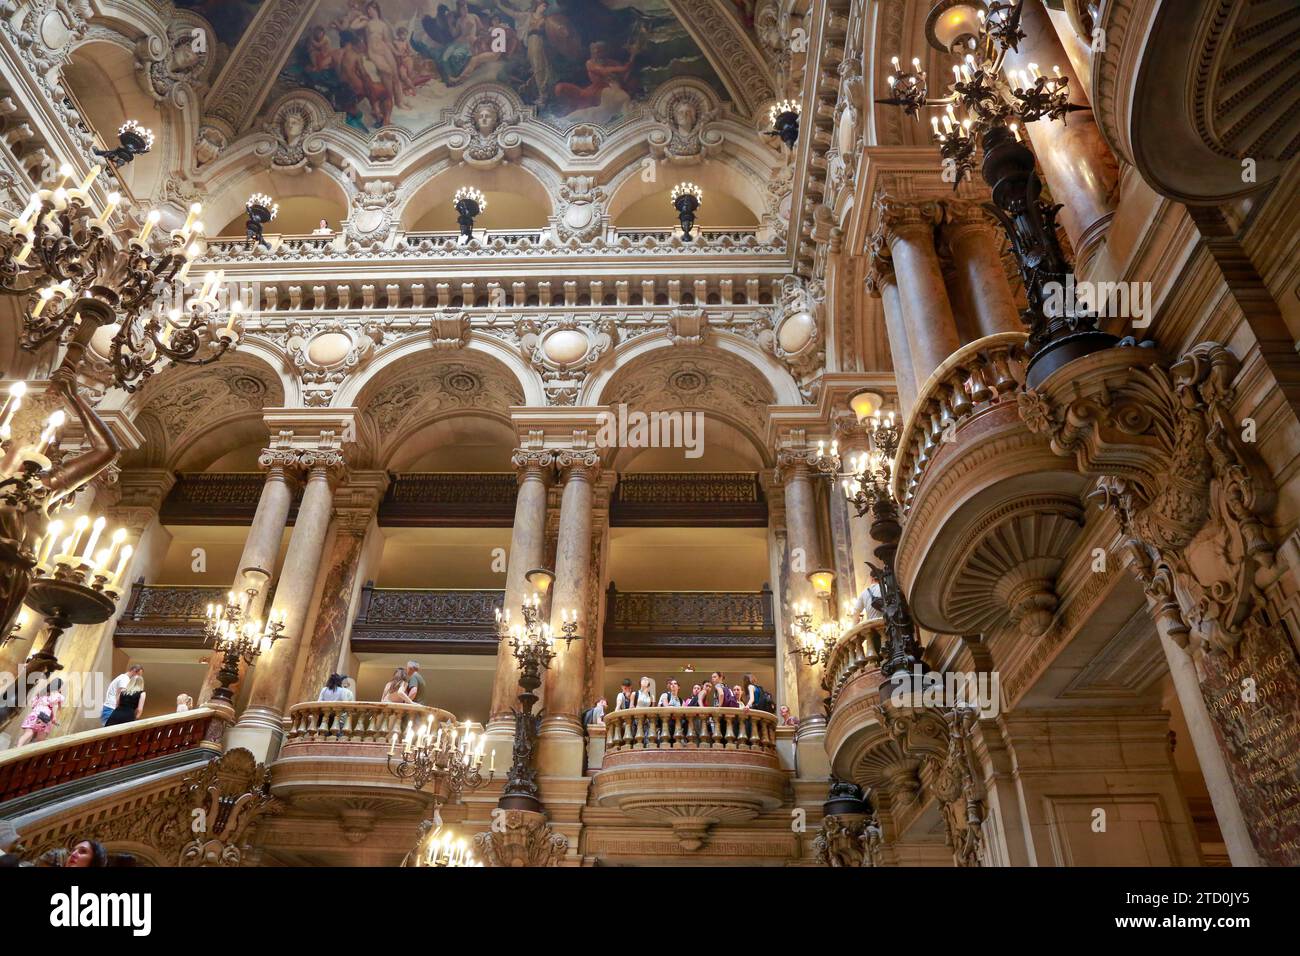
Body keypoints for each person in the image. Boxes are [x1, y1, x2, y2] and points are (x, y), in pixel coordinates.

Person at [17, 676, 65, 746]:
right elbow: (54, 706)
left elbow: (33, 704)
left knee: (28, 733)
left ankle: (17, 748)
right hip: (44, 717)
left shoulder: (41, 692)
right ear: (59, 686)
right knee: (40, 739)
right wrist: (54, 717)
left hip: (34, 714)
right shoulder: (57, 695)